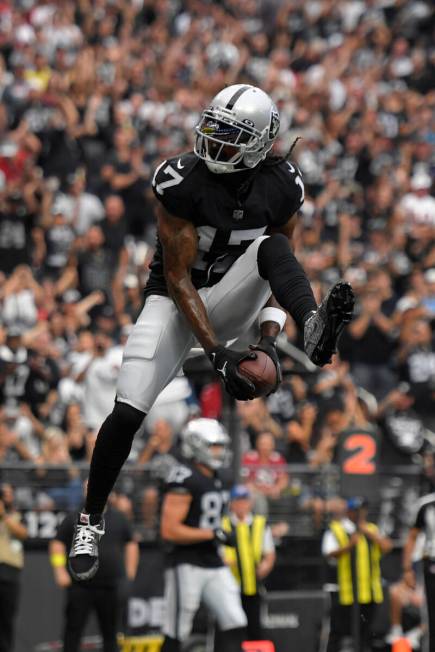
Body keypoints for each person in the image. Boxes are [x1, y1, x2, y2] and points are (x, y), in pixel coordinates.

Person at [69, 83, 354, 580]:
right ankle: (91, 518)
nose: (213, 141)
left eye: (230, 134)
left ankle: (311, 325)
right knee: (126, 411)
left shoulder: (283, 185)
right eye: (214, 127)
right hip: (175, 303)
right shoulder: (183, 181)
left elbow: (276, 267)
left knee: (270, 248)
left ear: (261, 144)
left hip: (236, 298)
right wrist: (218, 352)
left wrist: (268, 339)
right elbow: (178, 277)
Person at [159, 418, 247, 652]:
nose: (220, 451)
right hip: (186, 563)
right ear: (197, 446)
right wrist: (213, 534)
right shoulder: (184, 477)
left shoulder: (215, 476)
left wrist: (217, 536)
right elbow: (169, 530)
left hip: (212, 561)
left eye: (220, 446)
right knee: (177, 630)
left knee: (235, 621)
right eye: (214, 446)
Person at [49, 492, 139, 652]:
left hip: (110, 586)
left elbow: (131, 544)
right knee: (73, 631)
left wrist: (130, 572)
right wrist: (59, 570)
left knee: (111, 633)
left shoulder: (119, 518)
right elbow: (58, 544)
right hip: (80, 585)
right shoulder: (74, 517)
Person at [322, 497, 392, 652]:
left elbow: (387, 546)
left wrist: (369, 533)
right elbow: (328, 553)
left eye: (363, 510)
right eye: (358, 511)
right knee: (338, 634)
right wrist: (349, 546)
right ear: (349, 512)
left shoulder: (371, 529)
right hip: (344, 593)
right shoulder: (337, 529)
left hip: (369, 592)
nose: (361, 514)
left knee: (366, 634)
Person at [221, 484, 276, 641]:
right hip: (229, 588)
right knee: (231, 631)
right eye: (237, 501)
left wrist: (265, 566)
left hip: (253, 586)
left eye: (244, 500)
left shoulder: (259, 524)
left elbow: (269, 553)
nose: (241, 505)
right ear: (231, 503)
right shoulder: (224, 525)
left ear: (250, 503)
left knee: (254, 629)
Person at [402, 487, 435, 651]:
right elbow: (412, 536)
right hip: (432, 563)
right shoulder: (426, 504)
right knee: (431, 616)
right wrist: (407, 569)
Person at [0, 483, 28, 652]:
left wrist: (3, 515)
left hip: (9, 574)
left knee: (6, 620)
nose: (7, 495)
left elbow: (23, 533)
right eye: (4, 493)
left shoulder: (18, 515)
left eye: (10, 493)